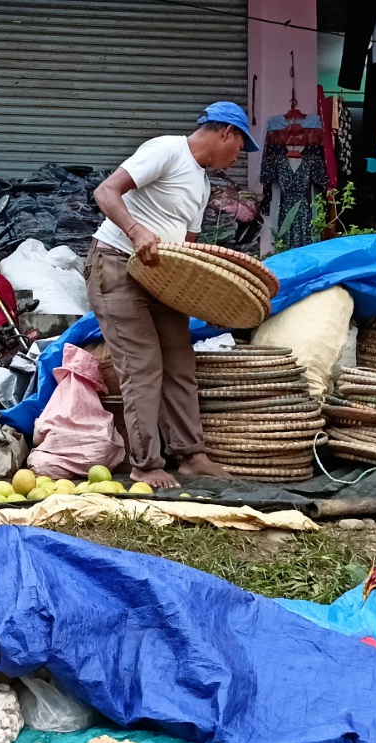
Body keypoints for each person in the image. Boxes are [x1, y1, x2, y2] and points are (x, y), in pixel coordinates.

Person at [87, 103, 257, 489]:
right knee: (142, 365)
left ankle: (193, 455)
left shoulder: (202, 183)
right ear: (226, 133)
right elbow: (105, 191)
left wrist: (207, 300)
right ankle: (146, 464)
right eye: (240, 148)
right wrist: (134, 230)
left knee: (180, 362)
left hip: (162, 277)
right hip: (116, 265)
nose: (238, 157)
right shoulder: (167, 150)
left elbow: (190, 254)